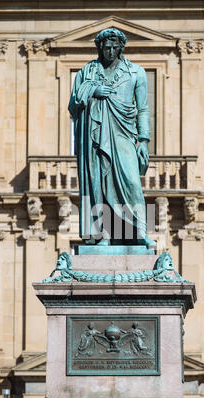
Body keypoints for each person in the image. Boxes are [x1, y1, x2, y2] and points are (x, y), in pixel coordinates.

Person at [69, 28, 155, 248]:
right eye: (106, 47)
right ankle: (102, 235)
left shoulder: (136, 72)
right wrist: (92, 90)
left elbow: (143, 109)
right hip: (94, 140)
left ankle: (141, 231)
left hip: (123, 134)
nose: (110, 51)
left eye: (114, 47)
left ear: (121, 47)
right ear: (99, 47)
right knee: (97, 184)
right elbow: (73, 106)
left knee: (132, 182)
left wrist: (144, 140)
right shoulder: (85, 73)